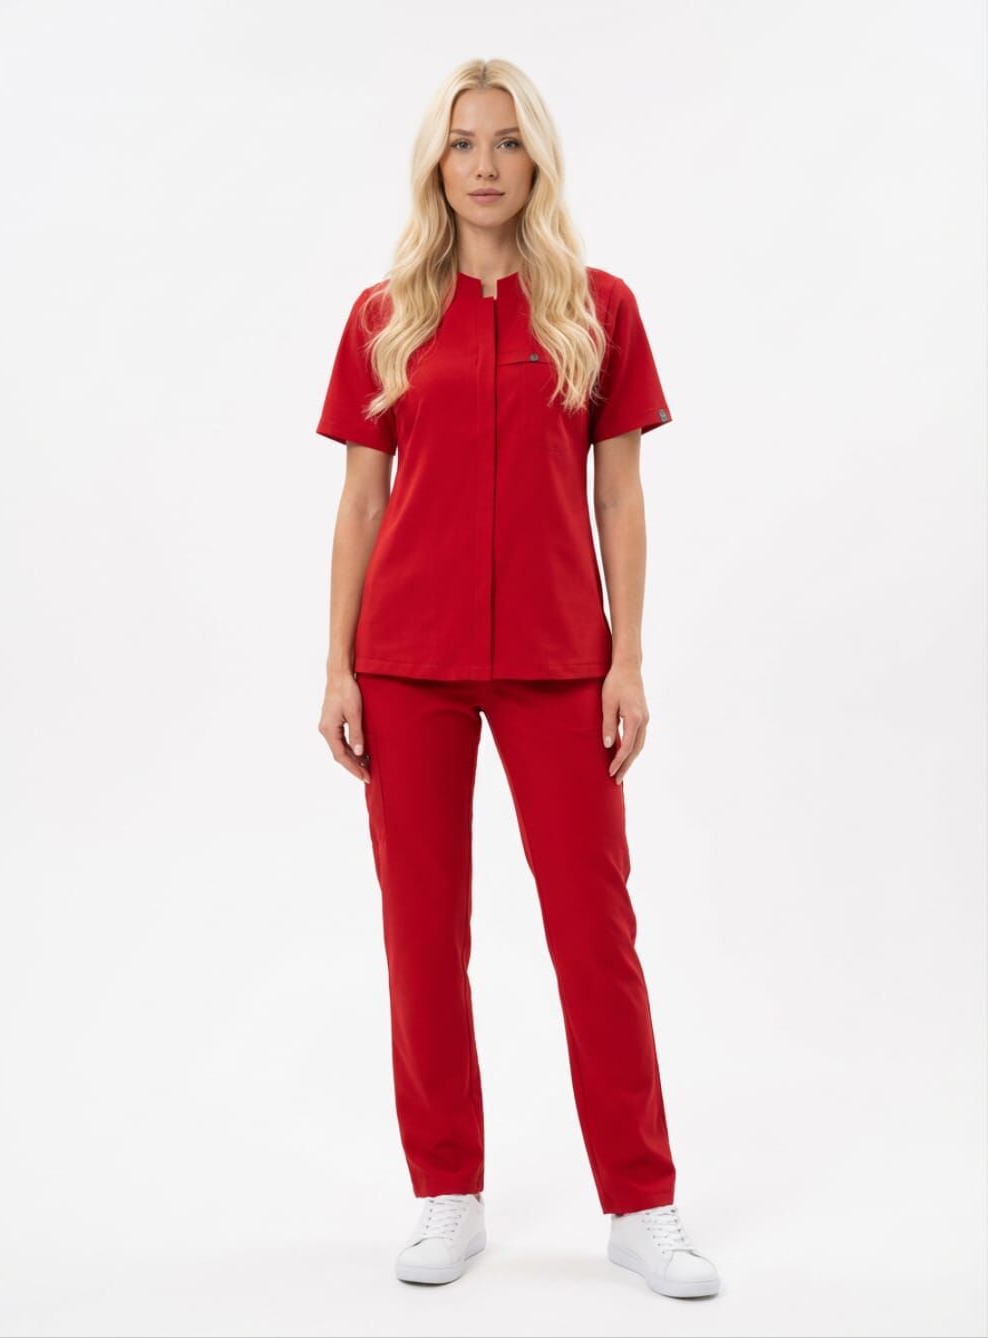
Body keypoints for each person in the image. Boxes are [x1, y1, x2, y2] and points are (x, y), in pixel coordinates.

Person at [315, 57, 720, 1301]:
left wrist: (628, 658)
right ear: (435, 165)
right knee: (422, 933)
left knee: (595, 932)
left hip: (558, 662)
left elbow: (620, 497)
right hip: (407, 662)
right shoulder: (384, 314)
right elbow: (362, 501)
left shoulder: (599, 308)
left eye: (505, 141)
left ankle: (642, 1205)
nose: (484, 164)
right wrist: (337, 666)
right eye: (462, 142)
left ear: (536, 158)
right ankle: (448, 1191)